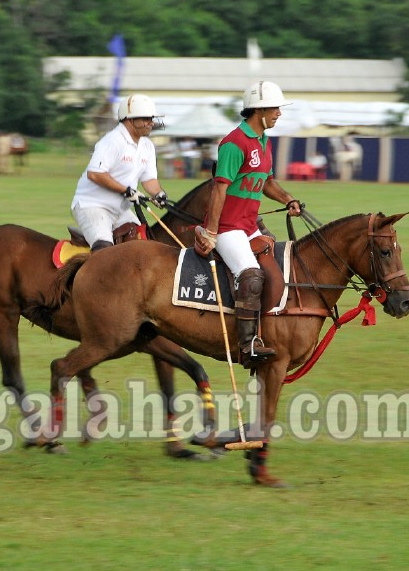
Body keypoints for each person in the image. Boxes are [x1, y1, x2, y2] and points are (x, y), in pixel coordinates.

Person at [194, 81, 303, 367]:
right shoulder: (233, 143)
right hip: (229, 226)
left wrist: (288, 198)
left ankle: (272, 328)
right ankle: (247, 344)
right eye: (275, 108)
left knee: (277, 264)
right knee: (251, 274)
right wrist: (212, 232)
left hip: (250, 223)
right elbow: (219, 189)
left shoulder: (264, 141)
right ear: (258, 110)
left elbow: (266, 181)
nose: (279, 113)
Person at [70, 93, 170, 251]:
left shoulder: (147, 146)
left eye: (151, 119)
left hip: (121, 211)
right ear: (130, 120)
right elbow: (95, 173)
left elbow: (149, 180)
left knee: (146, 246)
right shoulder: (113, 141)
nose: (151, 123)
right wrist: (126, 190)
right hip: (93, 205)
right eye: (145, 119)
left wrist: (159, 194)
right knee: (105, 250)